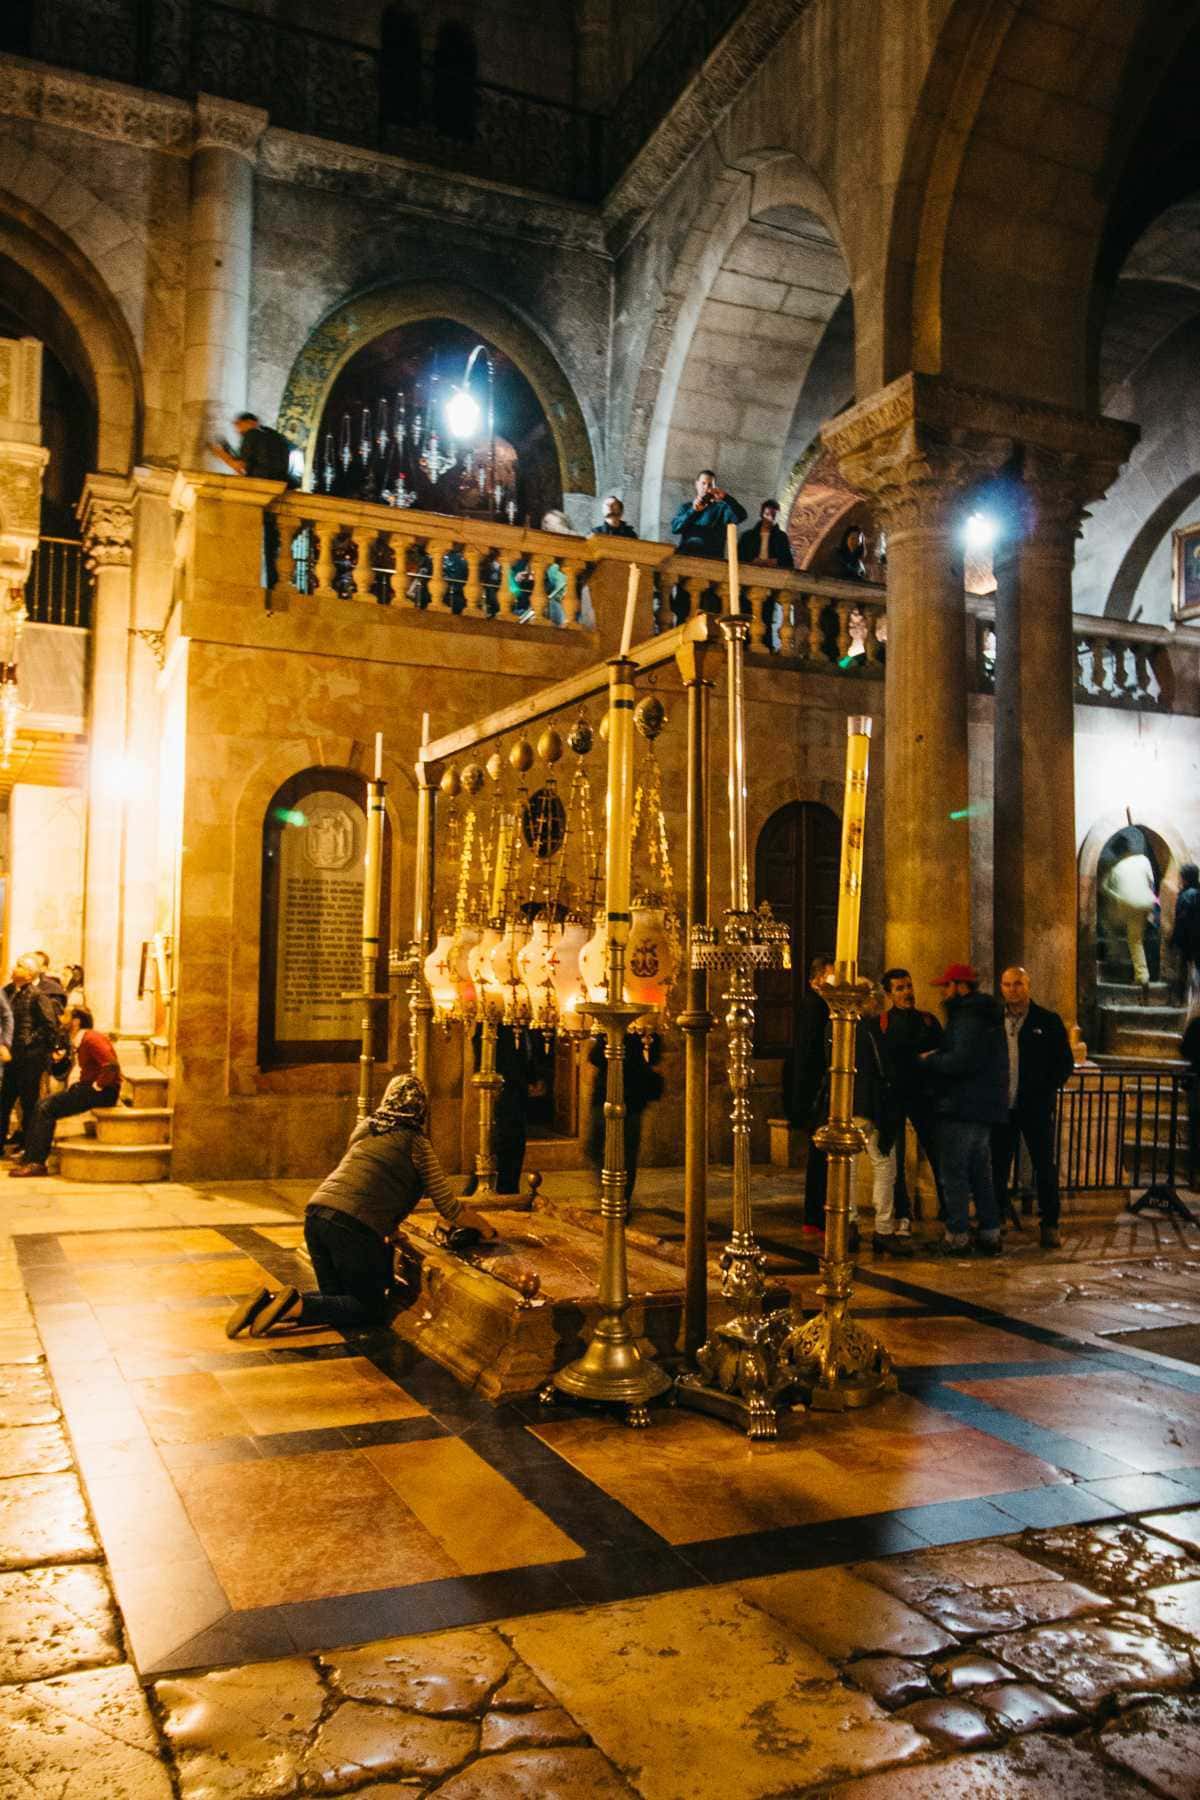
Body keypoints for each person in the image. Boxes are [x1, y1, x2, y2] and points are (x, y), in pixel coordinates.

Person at [227, 1074, 497, 1338]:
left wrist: (388, 1227)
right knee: (368, 1307)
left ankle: (267, 1303)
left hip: (316, 1216)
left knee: (338, 1301)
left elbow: (369, 1185)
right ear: (421, 1108)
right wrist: (485, 1229)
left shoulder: (365, 1130)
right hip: (351, 1226)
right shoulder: (417, 1144)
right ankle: (298, 1305)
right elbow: (449, 1207)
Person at [922, 963, 1008, 1255]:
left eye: (947, 986)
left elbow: (962, 1060)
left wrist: (931, 1060)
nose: (943, 993)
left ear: (960, 986)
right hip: (981, 1108)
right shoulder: (985, 1015)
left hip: (961, 1107)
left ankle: (957, 1235)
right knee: (980, 1173)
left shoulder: (967, 1017)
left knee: (955, 1173)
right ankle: (989, 1232)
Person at [989, 966, 1074, 1248]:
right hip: (1003, 1106)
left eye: (1018, 984)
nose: (1012, 989)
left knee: (1043, 1166)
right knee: (998, 1165)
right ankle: (996, 1219)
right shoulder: (994, 1021)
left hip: (1034, 1106)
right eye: (1007, 984)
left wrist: (1043, 1089)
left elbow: (1064, 1063)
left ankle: (1050, 1222)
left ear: (1028, 986)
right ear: (1001, 987)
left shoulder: (1047, 1021)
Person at [13, 1007, 121, 1177]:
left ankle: (36, 1163)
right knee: (42, 1104)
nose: (61, 1018)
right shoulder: (79, 1039)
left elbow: (111, 1065)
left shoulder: (92, 1038)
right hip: (87, 1087)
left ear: (76, 1021)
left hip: (103, 1091)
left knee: (46, 1107)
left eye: (66, 1015)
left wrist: (97, 1086)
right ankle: (30, 1158)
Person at [877, 967, 945, 1235]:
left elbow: (942, 1052)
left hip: (924, 1097)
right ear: (889, 994)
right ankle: (902, 1213)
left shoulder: (928, 1020)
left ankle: (948, 1209)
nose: (907, 993)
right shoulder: (882, 1023)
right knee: (895, 1160)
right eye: (900, 988)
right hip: (895, 1098)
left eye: (908, 986)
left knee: (937, 1152)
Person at [855, 987, 909, 1256]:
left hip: (849, 1106)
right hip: (871, 1108)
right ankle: (884, 1229)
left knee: (848, 1169)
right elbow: (881, 1070)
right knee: (885, 1165)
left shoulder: (838, 1029)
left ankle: (848, 1224)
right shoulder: (869, 1030)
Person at [587, 1031, 663, 1207]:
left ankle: (622, 1199)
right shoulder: (606, 1029)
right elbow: (596, 1057)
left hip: (631, 1100)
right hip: (605, 1097)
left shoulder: (642, 1032)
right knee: (595, 1147)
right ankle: (611, 1190)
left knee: (627, 1152)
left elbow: (653, 1057)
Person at [0, 959, 61, 1154]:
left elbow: (49, 1026)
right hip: (12, 1058)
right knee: (4, 1102)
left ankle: (29, 1147)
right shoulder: (10, 992)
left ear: (29, 974)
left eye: (19, 965)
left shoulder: (37, 995)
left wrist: (28, 1041)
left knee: (29, 1103)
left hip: (29, 1059)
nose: (14, 967)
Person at [1102, 827, 1158, 992]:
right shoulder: (1143, 859)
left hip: (1127, 905)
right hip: (1147, 903)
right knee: (1137, 938)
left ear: (1117, 853)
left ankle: (1118, 959)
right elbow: (1151, 882)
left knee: (1112, 927)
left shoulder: (1115, 868)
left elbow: (1104, 887)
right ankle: (1146, 973)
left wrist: (1116, 897)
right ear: (1129, 848)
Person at [670, 470, 747, 561]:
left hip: (711, 560)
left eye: (710, 485)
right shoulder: (686, 507)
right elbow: (675, 528)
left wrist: (726, 497)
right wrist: (693, 511)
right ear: (696, 484)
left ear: (714, 487)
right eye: (703, 483)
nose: (706, 487)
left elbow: (742, 515)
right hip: (686, 559)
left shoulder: (722, 509)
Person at [209, 411, 294, 482]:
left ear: (250, 422)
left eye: (239, 425)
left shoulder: (252, 433)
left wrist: (221, 453)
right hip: (278, 479)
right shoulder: (273, 435)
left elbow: (241, 464)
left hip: (261, 478)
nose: (238, 431)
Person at [1171, 863, 1200, 1001]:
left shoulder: (1187, 895)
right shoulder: (1196, 892)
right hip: (1195, 938)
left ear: (1185, 879)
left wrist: (1175, 938)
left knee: (1183, 968)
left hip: (1187, 939)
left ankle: (1180, 999)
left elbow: (1182, 919)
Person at [739, 500, 794, 571]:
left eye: (773, 515)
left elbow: (789, 562)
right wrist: (752, 560)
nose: (770, 518)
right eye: (767, 514)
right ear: (762, 514)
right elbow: (739, 557)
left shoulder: (781, 537)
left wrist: (776, 561)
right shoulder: (747, 536)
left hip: (774, 575)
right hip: (749, 572)